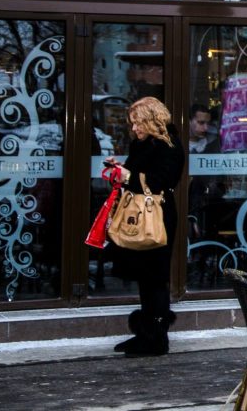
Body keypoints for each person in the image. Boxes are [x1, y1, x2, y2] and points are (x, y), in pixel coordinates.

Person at [105, 97, 185, 357]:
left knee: (155, 276)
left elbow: (163, 180)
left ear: (152, 120)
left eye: (138, 123)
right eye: (133, 123)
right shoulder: (140, 144)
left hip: (157, 216)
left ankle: (156, 338)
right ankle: (145, 333)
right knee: (144, 275)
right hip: (137, 216)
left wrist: (128, 175)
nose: (135, 128)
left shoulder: (169, 145)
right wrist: (118, 170)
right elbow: (132, 177)